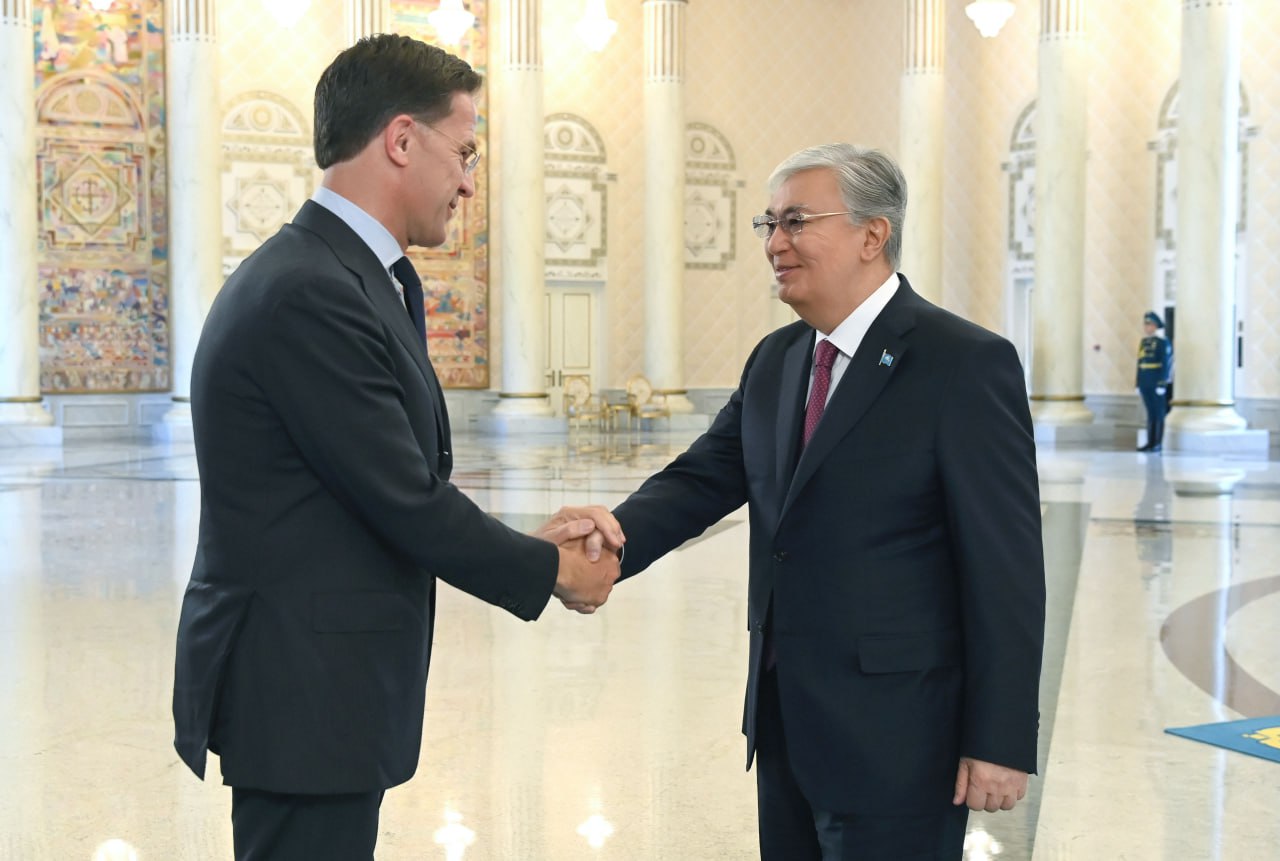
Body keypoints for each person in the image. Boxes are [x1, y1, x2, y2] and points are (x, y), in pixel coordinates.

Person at [171, 35, 622, 861]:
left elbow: (382, 481)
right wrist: (552, 569)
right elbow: (404, 497)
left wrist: (528, 545)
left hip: (321, 686)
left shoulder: (342, 273)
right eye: (465, 152)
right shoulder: (310, 291)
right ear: (403, 140)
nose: (469, 181)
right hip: (300, 689)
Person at [602, 144, 1046, 859]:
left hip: (902, 739)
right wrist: (608, 540)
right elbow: (702, 478)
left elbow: (1007, 569)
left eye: (796, 221)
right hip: (786, 723)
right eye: (768, 223)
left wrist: (999, 739)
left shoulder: (962, 362)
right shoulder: (776, 359)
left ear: (873, 235)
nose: (774, 243)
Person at [1136, 310, 1173, 453]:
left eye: (1150, 324)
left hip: (1156, 382)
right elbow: (1140, 363)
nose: (1147, 327)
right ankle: (1149, 442)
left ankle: (1157, 443)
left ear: (1155, 326)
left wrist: (1162, 383)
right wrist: (1138, 383)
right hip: (1145, 381)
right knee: (1150, 413)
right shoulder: (1144, 342)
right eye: (1145, 324)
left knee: (1158, 413)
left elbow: (1166, 363)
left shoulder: (1162, 342)